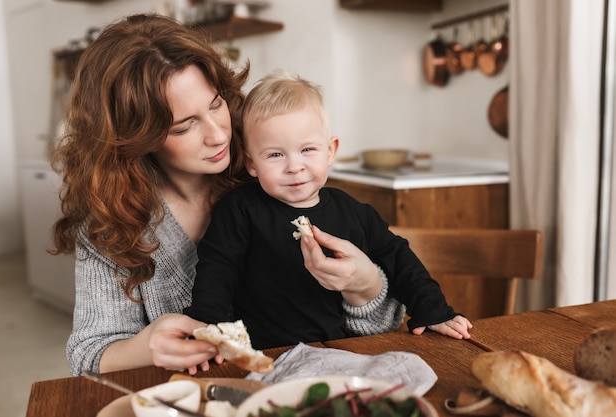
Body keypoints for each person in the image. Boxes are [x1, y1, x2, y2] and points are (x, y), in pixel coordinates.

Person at [50, 14, 403, 377]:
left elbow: (383, 331)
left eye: (216, 105)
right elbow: (88, 355)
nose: (219, 135)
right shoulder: (113, 222)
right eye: (185, 126)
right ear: (136, 138)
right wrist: (145, 347)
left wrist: (365, 287)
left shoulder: (274, 169)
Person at [184, 70, 472, 349]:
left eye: (307, 150)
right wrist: (210, 328)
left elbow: (399, 258)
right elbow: (217, 269)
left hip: (341, 347)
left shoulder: (354, 212)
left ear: (330, 150)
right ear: (251, 164)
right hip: (266, 352)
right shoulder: (240, 209)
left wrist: (433, 309)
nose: (294, 166)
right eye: (275, 155)